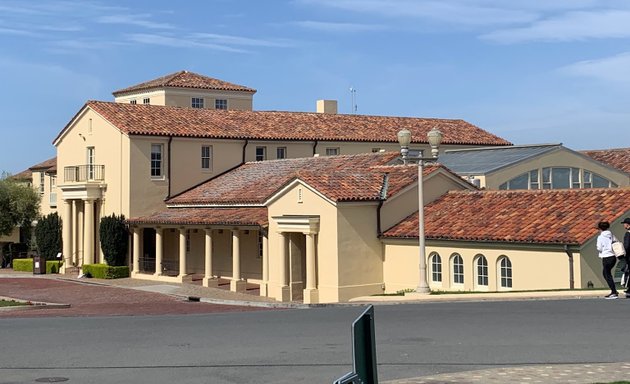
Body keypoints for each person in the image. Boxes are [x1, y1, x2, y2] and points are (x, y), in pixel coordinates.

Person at [596, 221, 619, 299]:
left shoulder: (600, 237)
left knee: (607, 274)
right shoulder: (611, 235)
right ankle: (613, 290)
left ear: (600, 229)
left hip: (606, 256)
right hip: (613, 256)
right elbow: (616, 242)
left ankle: (614, 292)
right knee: (605, 273)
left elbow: (599, 248)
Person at [622, 217, 630, 297]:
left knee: (628, 272)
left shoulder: (628, 234)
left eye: (624, 224)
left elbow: (627, 246)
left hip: (629, 257)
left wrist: (624, 254)